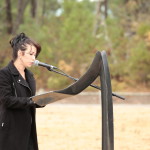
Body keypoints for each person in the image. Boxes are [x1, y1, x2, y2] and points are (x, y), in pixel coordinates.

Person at [0, 33, 42, 150]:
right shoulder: (4, 74)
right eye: (31, 54)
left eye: (35, 55)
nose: (34, 58)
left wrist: (42, 101)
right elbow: (6, 100)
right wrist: (32, 101)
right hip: (10, 132)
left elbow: (29, 100)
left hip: (28, 130)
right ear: (20, 53)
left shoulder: (30, 75)